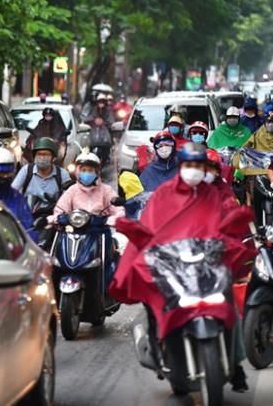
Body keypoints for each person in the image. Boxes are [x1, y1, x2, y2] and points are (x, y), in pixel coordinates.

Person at [109, 142, 255, 392]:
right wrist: (138, 234)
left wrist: (234, 228)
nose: (194, 170)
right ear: (180, 166)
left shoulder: (213, 194)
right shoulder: (163, 195)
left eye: (198, 165)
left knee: (228, 304)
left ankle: (236, 364)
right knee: (155, 303)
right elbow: (149, 226)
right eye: (189, 165)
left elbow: (224, 224)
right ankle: (159, 348)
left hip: (206, 265)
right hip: (173, 264)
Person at [50, 152, 124, 226]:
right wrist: (57, 219)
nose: (87, 173)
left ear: (97, 172)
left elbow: (119, 210)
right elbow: (60, 210)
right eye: (83, 170)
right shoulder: (72, 190)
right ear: (77, 172)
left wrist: (110, 220)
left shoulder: (106, 190)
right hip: (76, 229)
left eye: (90, 170)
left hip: (100, 229)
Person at [12, 137, 71, 201]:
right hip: (29, 206)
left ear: (53, 158)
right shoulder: (26, 170)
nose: (42, 157)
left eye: (46, 154)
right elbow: (12, 191)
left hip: (54, 207)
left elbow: (69, 197)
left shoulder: (62, 174)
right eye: (39, 154)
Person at [81, 93, 115, 165]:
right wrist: (94, 121)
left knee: (106, 151)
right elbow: (87, 118)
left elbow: (111, 121)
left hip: (105, 138)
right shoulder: (94, 109)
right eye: (100, 102)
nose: (101, 104)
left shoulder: (108, 110)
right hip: (94, 136)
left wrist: (103, 122)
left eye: (102, 102)